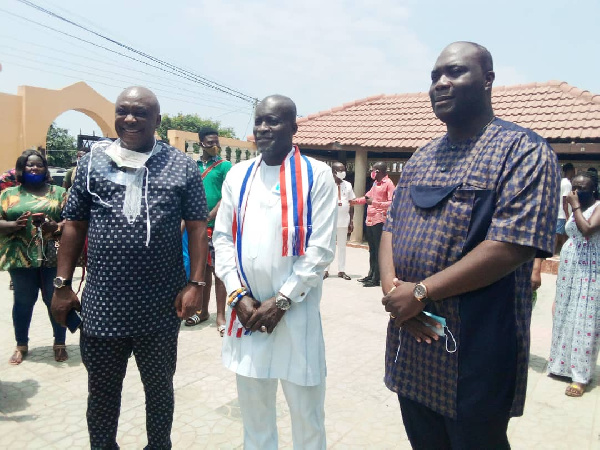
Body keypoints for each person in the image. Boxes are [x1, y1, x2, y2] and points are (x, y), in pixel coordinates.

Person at [380, 42, 559, 449]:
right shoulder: (422, 157)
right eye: (434, 76)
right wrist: (396, 294)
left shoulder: (524, 151)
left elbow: (512, 245)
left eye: (455, 72)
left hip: (476, 345)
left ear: (488, 81)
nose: (440, 83)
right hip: (412, 335)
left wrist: (421, 292)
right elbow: (391, 226)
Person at [50, 86, 208, 449]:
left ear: (157, 120)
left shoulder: (180, 165)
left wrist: (196, 284)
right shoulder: (92, 161)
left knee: (159, 389)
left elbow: (198, 227)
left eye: (140, 112)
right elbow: (74, 223)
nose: (130, 119)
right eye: (123, 111)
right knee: (102, 392)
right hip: (103, 303)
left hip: (160, 303)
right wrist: (61, 284)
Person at [213, 94, 336, 449]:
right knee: (255, 417)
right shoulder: (238, 175)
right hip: (247, 315)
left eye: (274, 121)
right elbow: (222, 239)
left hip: (295, 316)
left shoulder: (317, 175)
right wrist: (237, 296)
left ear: (294, 128)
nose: (264, 128)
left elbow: (321, 249)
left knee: (307, 418)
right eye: (259, 121)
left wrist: (282, 301)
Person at [0, 149, 67, 364]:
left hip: (53, 257)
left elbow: (72, 222)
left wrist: (55, 225)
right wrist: (12, 224)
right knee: (23, 301)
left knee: (54, 301)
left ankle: (59, 343)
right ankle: (21, 344)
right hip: (20, 258)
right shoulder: (8, 195)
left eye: (39, 164)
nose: (34, 168)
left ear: (45, 169)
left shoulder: (58, 193)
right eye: (29, 165)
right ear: (22, 168)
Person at [548, 172, 600, 397]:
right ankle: (560, 365)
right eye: (575, 187)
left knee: (584, 319)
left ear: (594, 190)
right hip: (570, 269)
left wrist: (575, 206)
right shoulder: (574, 206)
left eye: (583, 187)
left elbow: (586, 229)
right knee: (564, 314)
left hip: (591, 270)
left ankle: (580, 376)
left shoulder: (597, 207)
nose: (577, 191)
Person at [184, 128, 232, 337]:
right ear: (201, 143)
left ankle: (221, 315)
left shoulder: (225, 166)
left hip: (217, 225)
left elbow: (228, 195)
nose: (215, 145)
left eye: (217, 141)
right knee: (201, 270)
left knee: (219, 271)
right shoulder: (193, 166)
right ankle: (203, 312)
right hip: (197, 227)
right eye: (210, 142)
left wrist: (211, 214)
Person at [350, 161, 394, 287]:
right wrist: (354, 202)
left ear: (378, 171)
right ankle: (371, 274)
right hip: (370, 219)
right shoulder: (375, 183)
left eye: (373, 170)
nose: (371, 172)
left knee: (379, 251)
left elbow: (392, 203)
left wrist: (375, 203)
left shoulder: (389, 184)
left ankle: (376, 278)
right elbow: (367, 197)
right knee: (372, 250)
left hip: (380, 220)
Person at [324, 161, 355, 280]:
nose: (343, 172)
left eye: (344, 170)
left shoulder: (348, 185)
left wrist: (351, 221)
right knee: (329, 246)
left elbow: (352, 203)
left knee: (342, 246)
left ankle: (341, 270)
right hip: (330, 221)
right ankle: (325, 270)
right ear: (334, 172)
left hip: (344, 220)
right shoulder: (328, 184)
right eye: (340, 170)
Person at [556, 163, 575, 254]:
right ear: (571, 171)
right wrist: (568, 216)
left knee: (563, 235)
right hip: (562, 214)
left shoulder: (560, 181)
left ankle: (563, 252)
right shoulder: (567, 183)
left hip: (559, 213)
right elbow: (565, 201)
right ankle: (553, 252)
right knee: (558, 234)